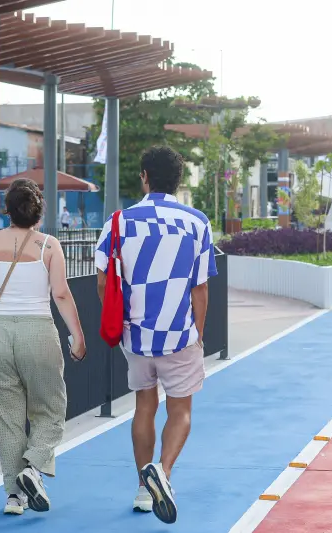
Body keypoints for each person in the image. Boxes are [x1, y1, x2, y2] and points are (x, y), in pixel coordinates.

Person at [95, 146, 216, 524]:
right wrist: (199, 333)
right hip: (179, 335)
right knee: (181, 411)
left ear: (144, 176)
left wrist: (120, 321)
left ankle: (143, 489)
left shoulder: (118, 222)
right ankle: (162, 472)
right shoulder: (197, 222)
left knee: (144, 407)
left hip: (135, 336)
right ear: (179, 180)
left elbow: (103, 281)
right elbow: (200, 288)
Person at [0, 178, 87, 516]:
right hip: (38, 333)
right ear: (39, 212)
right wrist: (77, 335)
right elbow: (61, 293)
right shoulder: (49, 245)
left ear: (7, 211)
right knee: (50, 409)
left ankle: (14, 497)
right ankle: (33, 468)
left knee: (9, 420)